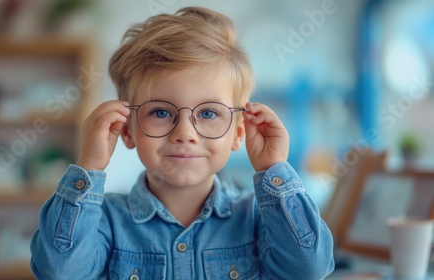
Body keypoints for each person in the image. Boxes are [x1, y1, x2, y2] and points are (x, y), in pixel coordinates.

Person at [30, 6, 334, 279]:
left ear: (238, 133)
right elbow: (59, 271)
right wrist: (89, 166)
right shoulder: (106, 221)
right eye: (161, 112)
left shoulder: (259, 218)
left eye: (208, 113)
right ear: (126, 131)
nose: (185, 133)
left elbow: (308, 269)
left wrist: (273, 169)